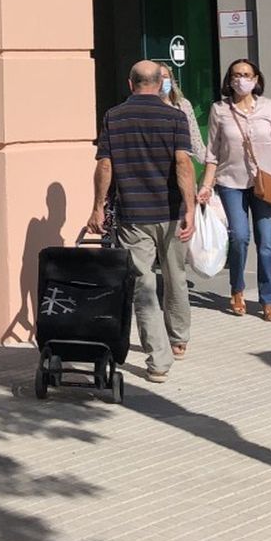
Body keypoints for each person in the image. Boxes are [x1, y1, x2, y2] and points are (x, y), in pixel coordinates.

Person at [86, 59, 196, 382]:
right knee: (176, 274)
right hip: (172, 212)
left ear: (130, 83)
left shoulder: (114, 117)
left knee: (143, 285)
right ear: (160, 84)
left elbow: (105, 167)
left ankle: (159, 360)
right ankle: (179, 340)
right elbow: (183, 164)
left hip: (134, 214)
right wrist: (189, 208)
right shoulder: (176, 117)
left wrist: (97, 208)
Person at [198, 59, 271, 322]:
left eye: (246, 75)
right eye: (235, 75)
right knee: (240, 237)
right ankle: (237, 289)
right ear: (228, 80)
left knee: (266, 242)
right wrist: (206, 185)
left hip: (264, 182)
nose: (240, 79)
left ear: (256, 79)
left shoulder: (268, 107)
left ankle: (268, 300)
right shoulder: (219, 110)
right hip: (230, 181)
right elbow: (212, 152)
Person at [158, 62, 208, 165]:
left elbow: (196, 141)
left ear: (171, 81)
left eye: (165, 77)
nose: (162, 81)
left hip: (181, 165)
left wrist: (210, 167)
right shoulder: (147, 107)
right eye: (158, 77)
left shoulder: (183, 105)